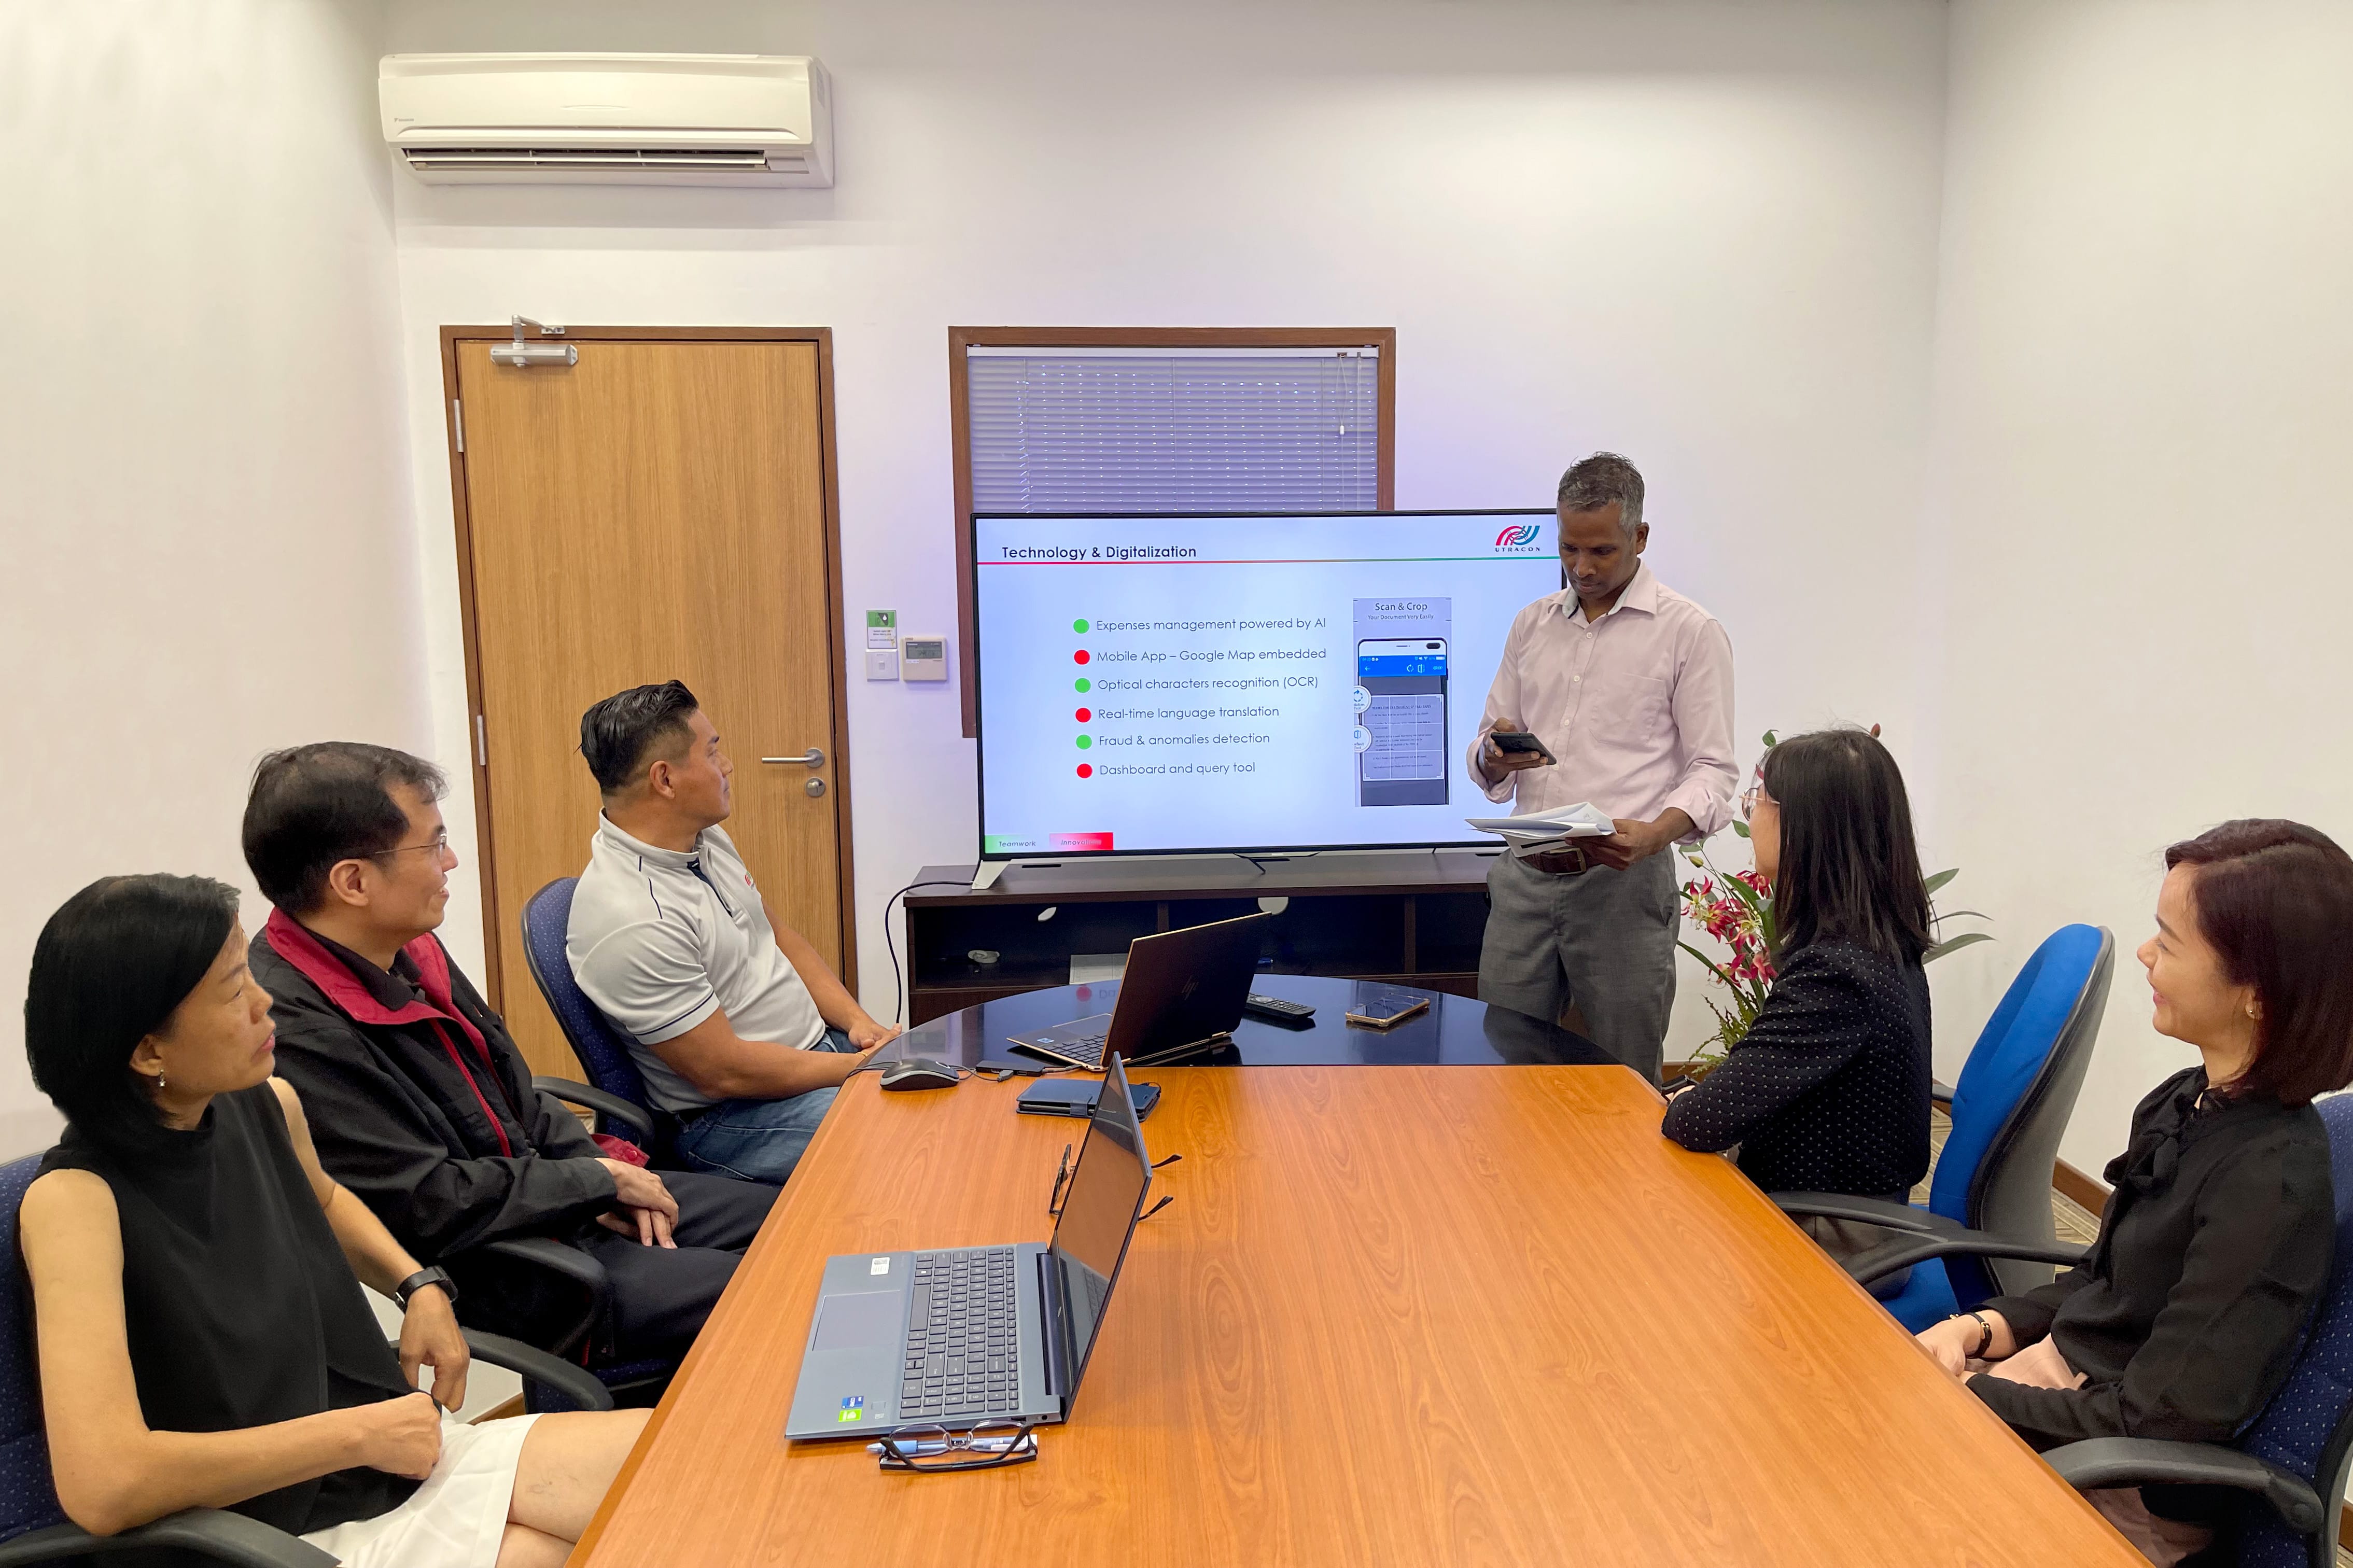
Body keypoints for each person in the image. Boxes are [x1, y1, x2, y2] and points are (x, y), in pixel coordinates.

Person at [17, 873, 650, 1567]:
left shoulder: (265, 1104)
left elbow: (322, 1197)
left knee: (671, 1465)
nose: (267, 1005)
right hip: (264, 1525)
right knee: (557, 1551)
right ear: (148, 1052)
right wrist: (354, 1437)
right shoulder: (75, 1202)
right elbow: (107, 1486)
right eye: (236, 991)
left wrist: (418, 1285)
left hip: (381, 1456)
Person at [242, 743, 775, 1371]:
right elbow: (428, 1201)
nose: (451, 861)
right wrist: (592, 1182)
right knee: (774, 1294)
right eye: (431, 845)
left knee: (800, 1221)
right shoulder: (296, 1025)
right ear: (353, 882)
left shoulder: (407, 947)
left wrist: (597, 1177)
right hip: (515, 1267)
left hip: (553, 1199)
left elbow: (517, 1090)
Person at [1914, 820, 2353, 1566]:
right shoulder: (2188, 1100)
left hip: (2122, 1483)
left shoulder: (2269, 1187)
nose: (2145, 953)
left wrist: (1974, 1397)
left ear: (2253, 991)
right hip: (2066, 1399)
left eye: (2168, 941)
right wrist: (1978, 1330)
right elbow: (2103, 1281)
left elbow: (2161, 1424)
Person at [1469, 452, 1736, 1081]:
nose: (1581, 569)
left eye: (1601, 552)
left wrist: (1656, 834)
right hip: (1524, 877)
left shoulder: (1689, 632)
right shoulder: (1530, 625)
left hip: (1622, 883)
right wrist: (1492, 751)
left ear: (1639, 538)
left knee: (1622, 1077)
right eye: (1567, 549)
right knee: (1499, 1072)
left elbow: (1713, 770)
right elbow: (1488, 749)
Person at [567, 681, 900, 1185]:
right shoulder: (633, 918)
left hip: (814, 1055)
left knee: (947, 1095)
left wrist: (858, 1024)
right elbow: (724, 1071)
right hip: (730, 1117)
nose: (727, 767)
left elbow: (778, 935)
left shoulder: (702, 840)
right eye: (713, 751)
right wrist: (862, 1068)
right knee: (905, 1140)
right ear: (665, 779)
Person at [1658, 728, 1934, 1291]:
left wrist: (1689, 1095)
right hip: (1846, 1209)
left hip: (1831, 1236)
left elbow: (1697, 1121)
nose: (1751, 815)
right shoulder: (1878, 942)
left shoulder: (1836, 973)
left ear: (1806, 826)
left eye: (1759, 801)